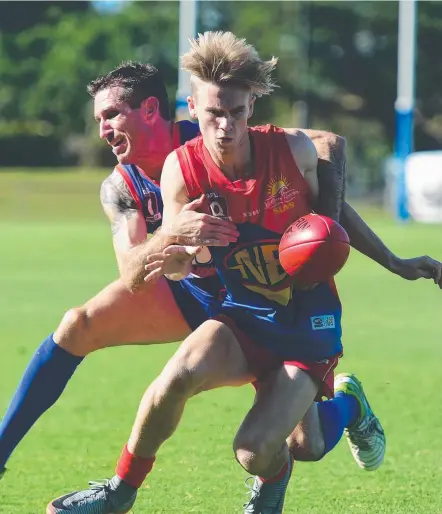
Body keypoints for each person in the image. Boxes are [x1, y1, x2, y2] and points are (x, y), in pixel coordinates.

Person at [46, 32, 442, 514]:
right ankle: (120, 492)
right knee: (171, 381)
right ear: (192, 108)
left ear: (251, 105)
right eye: (214, 113)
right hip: (242, 314)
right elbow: (170, 270)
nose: (225, 125)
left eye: (236, 112)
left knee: (285, 449)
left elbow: (333, 154)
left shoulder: (290, 152)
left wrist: (393, 262)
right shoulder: (181, 169)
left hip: (306, 323)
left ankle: (349, 403)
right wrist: (179, 240)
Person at [0, 60, 360, 480]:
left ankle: (350, 403)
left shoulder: (211, 132)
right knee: (77, 324)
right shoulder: (121, 187)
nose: (102, 129)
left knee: (306, 444)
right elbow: (134, 275)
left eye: (111, 115)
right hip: (188, 292)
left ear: (151, 109)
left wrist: (351, 237)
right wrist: (168, 233)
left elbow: (320, 154)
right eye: (99, 119)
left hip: (260, 295)